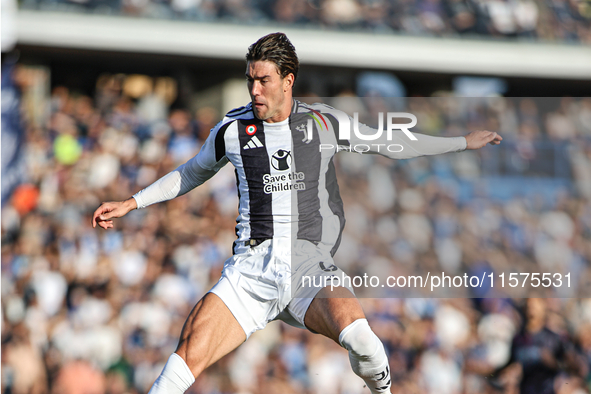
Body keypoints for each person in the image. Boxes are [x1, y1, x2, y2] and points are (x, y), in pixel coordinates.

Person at [92, 32, 502, 394]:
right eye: (251, 80)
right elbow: (189, 174)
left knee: (365, 343)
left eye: (264, 80)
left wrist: (460, 143)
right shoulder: (232, 130)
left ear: (288, 81)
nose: (254, 90)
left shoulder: (324, 123)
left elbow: (391, 141)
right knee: (183, 361)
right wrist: (132, 203)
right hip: (251, 272)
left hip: (310, 269)